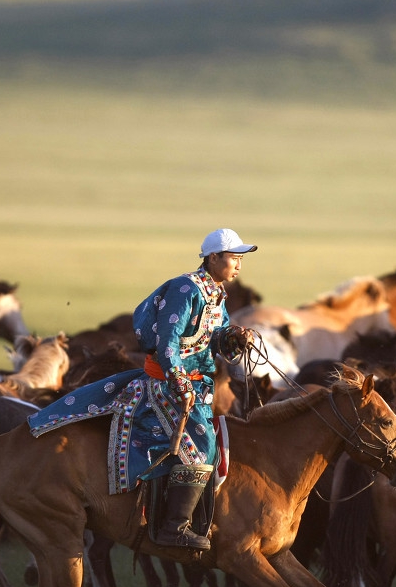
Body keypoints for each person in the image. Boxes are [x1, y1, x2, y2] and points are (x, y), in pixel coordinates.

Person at [27, 228, 259, 551]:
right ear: (214, 258)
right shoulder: (185, 289)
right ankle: (174, 527)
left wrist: (234, 338)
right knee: (202, 446)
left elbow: (213, 339)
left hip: (196, 387)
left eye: (240, 259)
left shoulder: (216, 296)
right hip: (167, 385)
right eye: (234, 258)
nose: (239, 265)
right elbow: (167, 344)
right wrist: (180, 384)